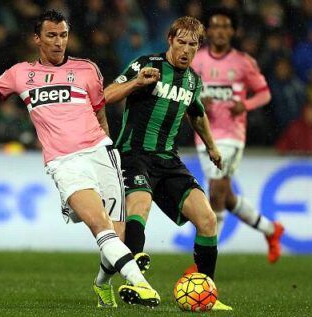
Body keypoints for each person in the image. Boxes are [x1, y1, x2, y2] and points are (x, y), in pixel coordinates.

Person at [0, 9, 160, 309]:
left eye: (63, 35)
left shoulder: (88, 69)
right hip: (64, 161)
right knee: (99, 225)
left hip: (101, 153)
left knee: (117, 235)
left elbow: (99, 111)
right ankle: (141, 286)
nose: (59, 42)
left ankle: (101, 284)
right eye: (51, 35)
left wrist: (109, 147)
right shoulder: (21, 74)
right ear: (37, 38)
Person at [104, 16, 232, 310]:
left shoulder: (193, 81)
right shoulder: (146, 64)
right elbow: (107, 95)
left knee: (208, 220)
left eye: (193, 44)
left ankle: (206, 294)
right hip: (133, 154)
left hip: (169, 160)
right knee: (140, 205)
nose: (186, 50)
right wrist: (137, 83)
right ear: (170, 40)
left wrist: (212, 147)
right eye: (182, 42)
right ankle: (134, 282)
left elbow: (196, 113)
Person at [191, 7, 284, 265]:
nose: (220, 31)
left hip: (232, 134)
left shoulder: (243, 62)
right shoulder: (197, 60)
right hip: (205, 134)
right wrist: (199, 100)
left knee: (216, 192)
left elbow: (264, 93)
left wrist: (246, 105)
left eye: (225, 27)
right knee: (226, 196)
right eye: (215, 27)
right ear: (208, 31)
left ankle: (205, 261)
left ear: (232, 31)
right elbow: (187, 91)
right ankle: (270, 230)